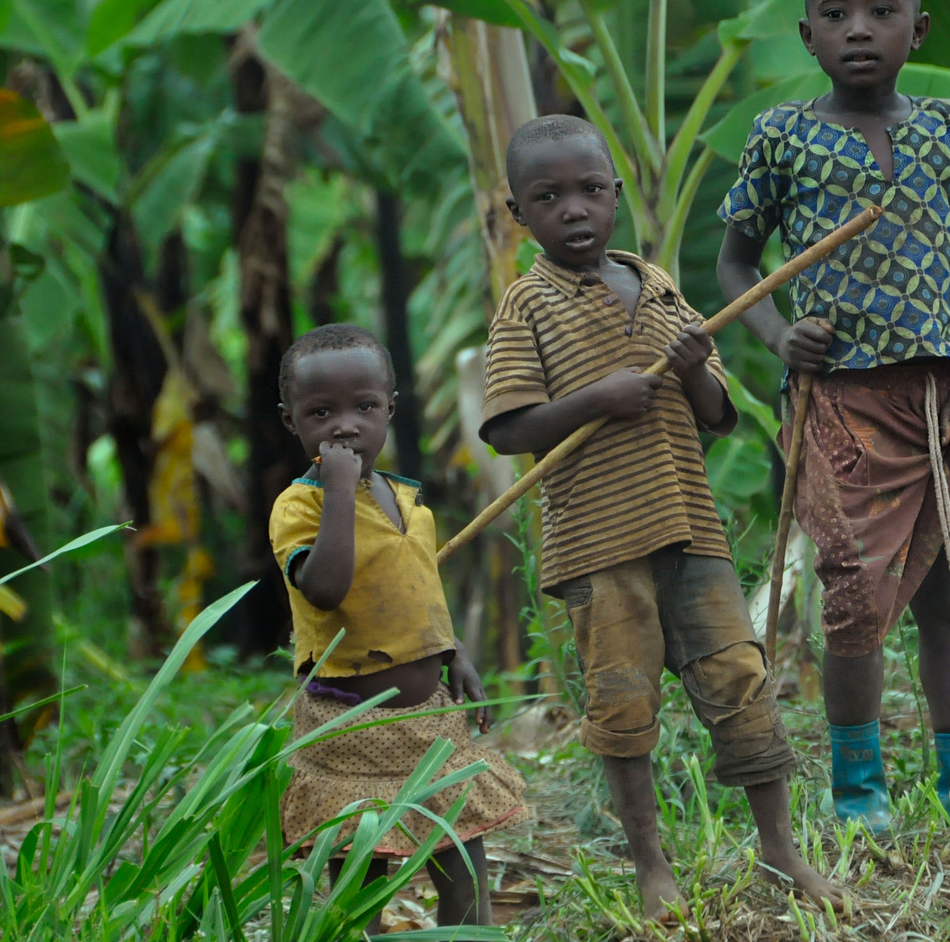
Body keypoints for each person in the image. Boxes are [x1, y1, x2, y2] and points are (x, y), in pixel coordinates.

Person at [715, 0, 950, 846]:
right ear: (808, 36)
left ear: (918, 28)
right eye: (836, 14)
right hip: (842, 407)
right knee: (853, 601)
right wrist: (783, 334)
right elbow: (736, 261)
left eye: (881, 10)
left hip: (944, 408)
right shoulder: (781, 135)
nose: (859, 28)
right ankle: (860, 800)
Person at [480, 114, 841, 921]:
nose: (574, 210)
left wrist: (689, 371)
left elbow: (717, 414)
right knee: (623, 700)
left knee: (740, 681)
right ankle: (651, 867)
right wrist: (596, 401)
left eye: (590, 191)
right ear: (518, 214)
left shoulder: (658, 282)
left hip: (691, 526)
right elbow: (509, 428)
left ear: (615, 196)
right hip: (598, 543)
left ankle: (780, 852)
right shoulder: (526, 306)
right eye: (549, 197)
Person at [271, 324, 528, 929]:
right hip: (349, 727)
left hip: (430, 722)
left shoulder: (409, 501)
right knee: (362, 874)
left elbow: (416, 592)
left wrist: (452, 651)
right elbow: (327, 589)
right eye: (321, 412)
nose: (344, 425)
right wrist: (338, 490)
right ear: (291, 422)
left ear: (390, 409)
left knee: (463, 860)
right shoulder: (300, 506)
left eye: (363, 408)